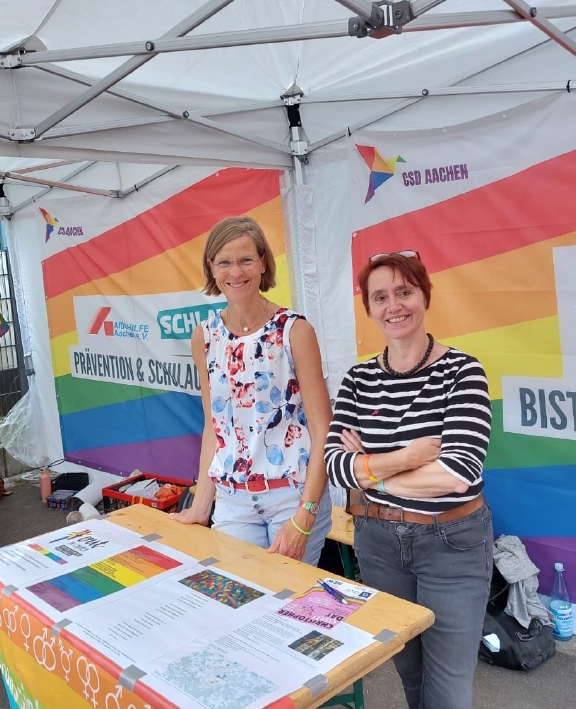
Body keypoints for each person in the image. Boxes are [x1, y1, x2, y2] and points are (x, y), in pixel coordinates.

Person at [324, 251, 492, 709]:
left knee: (449, 691)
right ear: (370, 309)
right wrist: (409, 457)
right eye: (380, 297)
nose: (393, 305)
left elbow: (458, 472)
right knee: (411, 675)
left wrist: (372, 470)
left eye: (404, 292)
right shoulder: (358, 379)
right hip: (378, 543)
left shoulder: (463, 371)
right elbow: (334, 466)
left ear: (424, 295)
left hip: (451, 543)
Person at [172, 216, 332, 565]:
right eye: (224, 262)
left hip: (292, 497)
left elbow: (323, 431)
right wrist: (201, 504)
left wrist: (305, 515)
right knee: (234, 605)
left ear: (263, 263)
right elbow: (214, 427)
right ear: (211, 268)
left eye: (246, 260)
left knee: (287, 609)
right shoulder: (205, 336)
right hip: (232, 502)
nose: (236, 271)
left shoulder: (295, 332)